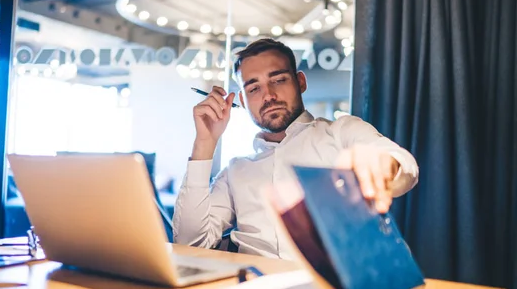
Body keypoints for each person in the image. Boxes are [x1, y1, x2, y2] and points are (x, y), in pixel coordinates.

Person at [173, 38, 418, 258]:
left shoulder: (342, 132)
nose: (268, 95)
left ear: (300, 82)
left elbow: (403, 164)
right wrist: (205, 142)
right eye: (254, 88)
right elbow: (190, 243)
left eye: (278, 79)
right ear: (241, 101)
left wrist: (384, 164)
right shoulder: (236, 170)